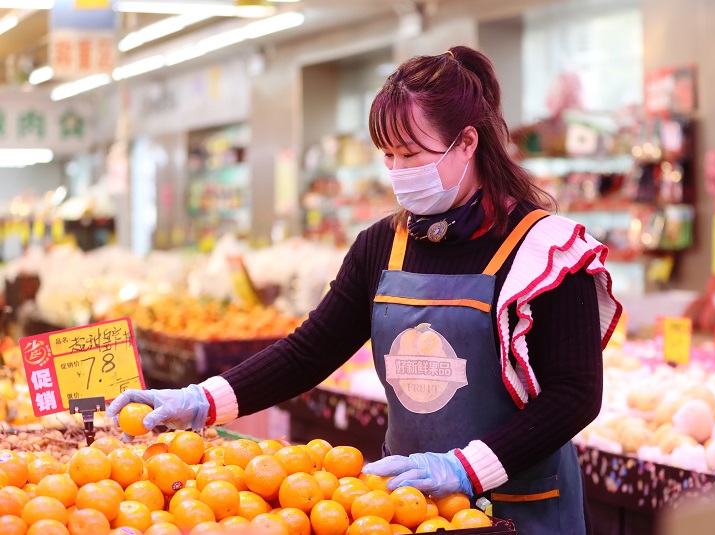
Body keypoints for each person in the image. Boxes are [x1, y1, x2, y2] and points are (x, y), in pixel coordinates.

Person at [108, 45, 621, 534]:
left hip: (524, 507)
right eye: (388, 155)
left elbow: (575, 395)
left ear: (467, 143)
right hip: (408, 506)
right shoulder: (383, 244)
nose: (397, 171)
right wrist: (202, 400)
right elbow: (310, 350)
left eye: (411, 154)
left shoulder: (546, 251)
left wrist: (467, 468)